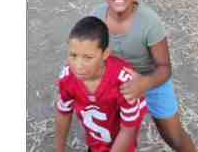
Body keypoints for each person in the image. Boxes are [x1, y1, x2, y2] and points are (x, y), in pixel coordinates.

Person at [91, 0, 197, 152]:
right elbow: (93, 55)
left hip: (152, 81)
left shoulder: (149, 22)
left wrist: (145, 83)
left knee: (174, 137)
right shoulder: (97, 17)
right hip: (117, 84)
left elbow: (165, 68)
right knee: (111, 138)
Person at [55, 16, 148, 152]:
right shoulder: (67, 77)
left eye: (88, 57)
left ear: (105, 54)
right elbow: (63, 113)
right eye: (73, 55)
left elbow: (128, 130)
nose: (78, 65)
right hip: (97, 137)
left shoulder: (125, 82)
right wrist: (59, 149)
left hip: (122, 139)